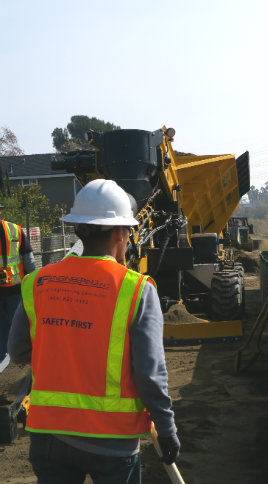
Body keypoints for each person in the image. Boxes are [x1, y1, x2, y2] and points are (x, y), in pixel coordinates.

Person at [8, 179, 180, 484]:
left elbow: (19, 351)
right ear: (119, 232)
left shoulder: (38, 283)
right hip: (112, 441)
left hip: (48, 436)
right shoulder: (136, 289)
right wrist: (167, 431)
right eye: (128, 231)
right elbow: (150, 375)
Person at [0, 201, 35, 370]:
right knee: (17, 327)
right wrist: (34, 280)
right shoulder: (15, 229)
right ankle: (18, 362)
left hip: (12, 290)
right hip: (14, 288)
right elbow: (28, 258)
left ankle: (3, 365)